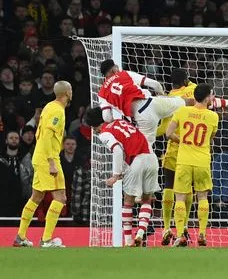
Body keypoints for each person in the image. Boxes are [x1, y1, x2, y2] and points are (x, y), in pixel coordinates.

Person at [157, 68, 228, 245]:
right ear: (186, 80)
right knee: (199, 195)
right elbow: (214, 103)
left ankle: (169, 228)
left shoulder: (173, 100)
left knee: (171, 189)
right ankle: (197, 232)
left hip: (177, 151)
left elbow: (166, 130)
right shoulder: (201, 100)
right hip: (201, 157)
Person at [85, 107, 159, 247]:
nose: (94, 131)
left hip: (136, 161)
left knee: (128, 201)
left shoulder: (105, 133)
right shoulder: (120, 121)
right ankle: (140, 233)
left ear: (95, 125)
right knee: (146, 200)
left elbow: (118, 151)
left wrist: (116, 175)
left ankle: (129, 240)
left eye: (93, 128)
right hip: (151, 158)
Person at [14, 81, 72, 248]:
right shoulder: (57, 110)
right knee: (61, 198)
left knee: (36, 197)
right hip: (48, 158)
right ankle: (46, 240)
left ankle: (20, 237)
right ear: (67, 92)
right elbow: (46, 135)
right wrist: (52, 162)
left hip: (40, 156)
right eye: (71, 90)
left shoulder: (49, 106)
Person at [166, 83, 219, 247]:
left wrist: (181, 141)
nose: (213, 98)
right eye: (212, 95)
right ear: (207, 97)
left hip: (184, 161)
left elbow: (168, 133)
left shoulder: (182, 111)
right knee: (202, 197)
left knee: (180, 198)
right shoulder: (213, 116)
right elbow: (210, 139)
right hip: (202, 161)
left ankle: (181, 234)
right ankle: (202, 233)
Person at [97, 59, 190, 144]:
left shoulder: (102, 93)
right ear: (113, 70)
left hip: (142, 117)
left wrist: (114, 122)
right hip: (153, 103)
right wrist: (162, 94)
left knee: (144, 151)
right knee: (185, 102)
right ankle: (202, 107)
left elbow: (107, 117)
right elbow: (155, 84)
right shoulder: (125, 74)